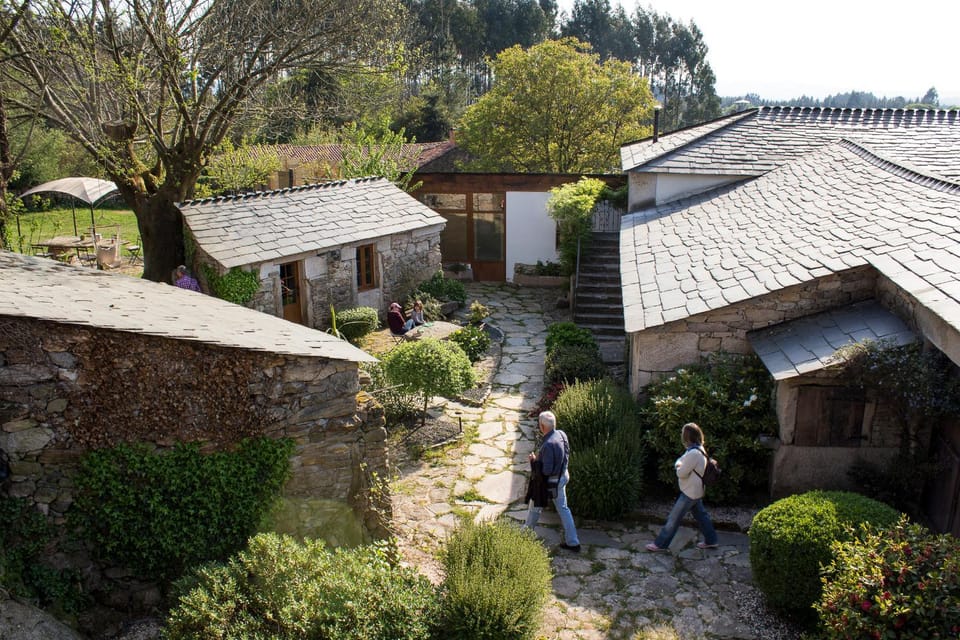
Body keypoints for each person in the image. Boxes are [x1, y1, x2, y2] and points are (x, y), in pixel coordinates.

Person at [646, 422, 719, 552]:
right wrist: (681, 463)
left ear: (687, 437)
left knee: (673, 519)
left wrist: (678, 464)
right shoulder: (699, 449)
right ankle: (711, 540)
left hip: (690, 492)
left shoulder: (693, 454)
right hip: (697, 491)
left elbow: (680, 472)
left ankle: (661, 544)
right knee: (702, 517)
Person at [523, 410, 581, 552]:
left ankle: (523, 537)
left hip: (550, 483)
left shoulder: (548, 444)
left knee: (534, 507)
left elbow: (546, 471)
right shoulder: (562, 434)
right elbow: (566, 455)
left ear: (542, 427)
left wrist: (534, 461)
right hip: (563, 477)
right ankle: (573, 542)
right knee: (563, 509)